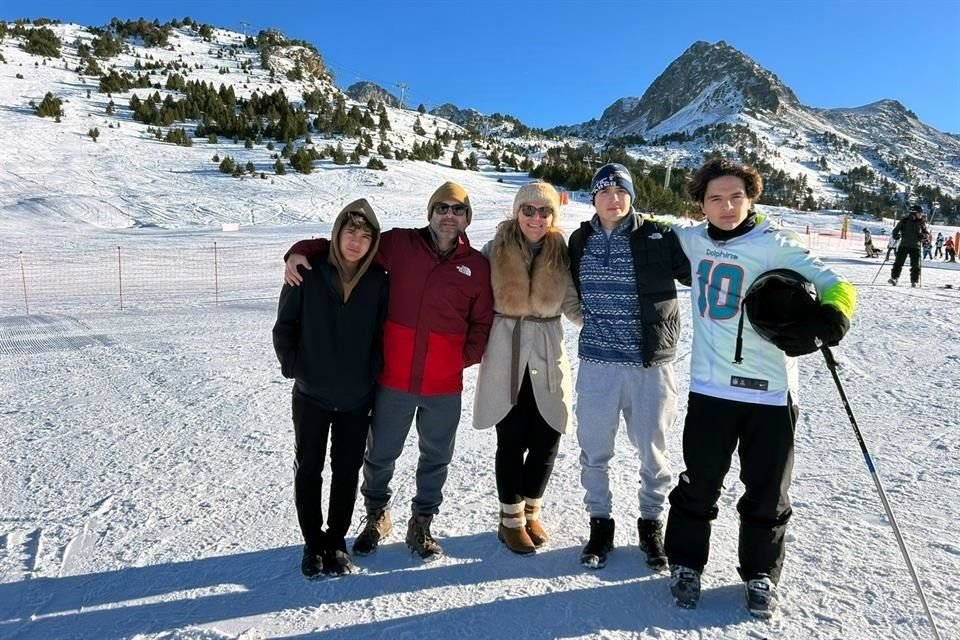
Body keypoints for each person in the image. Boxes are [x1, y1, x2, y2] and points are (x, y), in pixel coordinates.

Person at [665, 158, 856, 617]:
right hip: (711, 391)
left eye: (736, 197)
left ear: (751, 198)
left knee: (768, 491)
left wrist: (834, 317)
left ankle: (760, 573)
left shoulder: (775, 245)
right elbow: (647, 228)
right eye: (715, 198)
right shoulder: (691, 240)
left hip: (769, 394)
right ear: (701, 204)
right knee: (699, 483)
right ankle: (686, 563)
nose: (727, 207)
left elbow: (838, 284)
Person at [283, 183, 494, 561]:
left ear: (466, 218)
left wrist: (460, 358)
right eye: (441, 207)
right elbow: (348, 244)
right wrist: (299, 251)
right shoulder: (399, 245)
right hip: (393, 379)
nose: (449, 215)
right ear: (430, 212)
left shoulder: (476, 266)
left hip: (444, 385)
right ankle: (377, 514)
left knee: (436, 456)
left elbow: (482, 323)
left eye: (457, 210)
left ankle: (422, 521)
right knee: (379, 453)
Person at [567, 163, 690, 570]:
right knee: (594, 450)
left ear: (631, 196)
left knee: (653, 451)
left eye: (621, 191)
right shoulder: (579, 239)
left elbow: (704, 267)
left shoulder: (659, 235)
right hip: (598, 364)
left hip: (649, 365)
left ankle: (651, 524)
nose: (613, 199)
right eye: (604, 192)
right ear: (593, 198)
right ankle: (600, 523)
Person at [272, 199, 389, 578]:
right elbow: (284, 326)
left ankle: (336, 540)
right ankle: (312, 542)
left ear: (373, 242)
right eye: (350, 231)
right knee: (309, 469)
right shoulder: (308, 271)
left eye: (365, 235)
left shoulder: (378, 281)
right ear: (337, 233)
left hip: (356, 397)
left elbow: (380, 336)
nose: (356, 241)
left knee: (346, 470)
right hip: (312, 395)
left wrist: (371, 373)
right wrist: (297, 368)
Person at [472, 181, 582, 555]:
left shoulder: (561, 253)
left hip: (548, 351)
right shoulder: (494, 250)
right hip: (507, 351)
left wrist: (611, 323)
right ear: (517, 212)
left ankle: (532, 509)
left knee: (548, 436)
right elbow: (469, 295)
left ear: (554, 216)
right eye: (528, 210)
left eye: (544, 211)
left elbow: (574, 305)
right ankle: (511, 520)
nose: (536, 218)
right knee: (512, 439)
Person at [888, 205, 929, 287]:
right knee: (898, 263)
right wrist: (896, 235)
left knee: (915, 265)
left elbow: (926, 233)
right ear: (914, 212)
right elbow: (895, 230)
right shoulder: (904, 221)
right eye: (919, 212)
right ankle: (894, 278)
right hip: (904, 245)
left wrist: (923, 236)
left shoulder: (921, 222)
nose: (921, 214)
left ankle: (914, 281)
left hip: (915, 246)